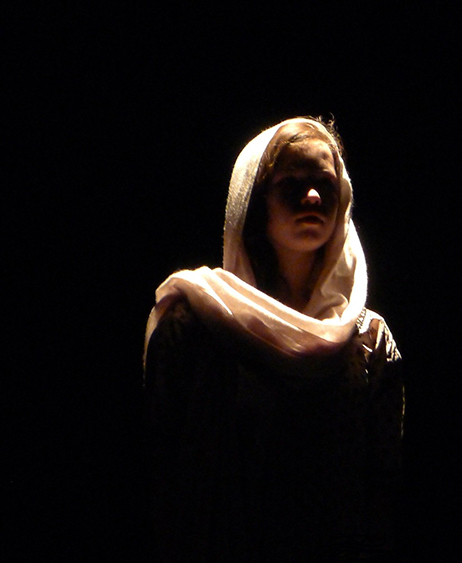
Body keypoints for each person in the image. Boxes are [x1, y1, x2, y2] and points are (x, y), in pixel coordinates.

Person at [143, 117, 404, 562]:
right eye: (292, 184)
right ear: (255, 199)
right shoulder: (199, 322)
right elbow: (160, 469)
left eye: (325, 182)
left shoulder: (367, 340)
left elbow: (382, 487)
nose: (314, 196)